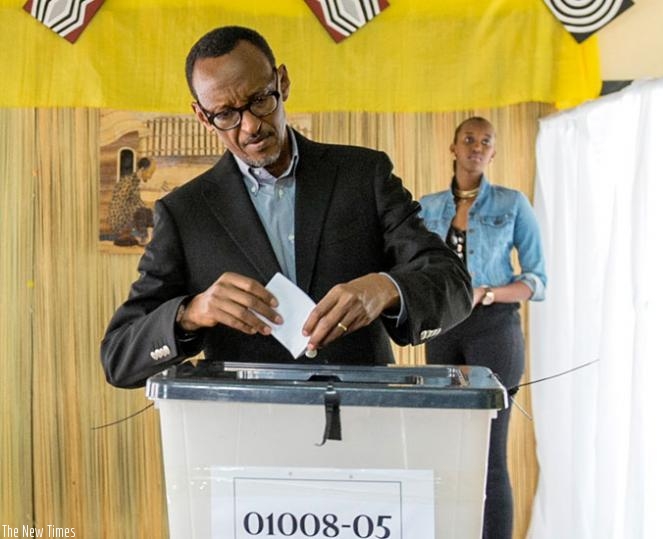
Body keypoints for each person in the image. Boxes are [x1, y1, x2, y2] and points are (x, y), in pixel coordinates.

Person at [100, 26, 472, 388]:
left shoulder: (364, 175)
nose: (249, 127)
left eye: (260, 100)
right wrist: (191, 313)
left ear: (282, 81)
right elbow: (118, 358)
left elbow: (453, 285)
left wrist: (385, 288)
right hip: (244, 437)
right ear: (202, 116)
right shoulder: (184, 213)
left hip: (362, 426)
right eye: (226, 115)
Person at [418, 117, 547, 539]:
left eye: (485, 141)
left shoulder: (513, 204)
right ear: (452, 148)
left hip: (494, 329)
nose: (476, 147)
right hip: (443, 328)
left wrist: (487, 293)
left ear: (493, 153)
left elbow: (537, 280)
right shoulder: (426, 208)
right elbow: (415, 268)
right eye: (468, 139)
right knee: (445, 448)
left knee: (491, 453)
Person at [109, 157, 155, 246]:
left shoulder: (134, 181)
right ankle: (143, 238)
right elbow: (121, 205)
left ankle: (147, 238)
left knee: (148, 211)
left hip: (127, 216)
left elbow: (136, 202)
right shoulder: (128, 182)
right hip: (121, 220)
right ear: (142, 170)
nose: (150, 176)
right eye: (150, 172)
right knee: (143, 212)